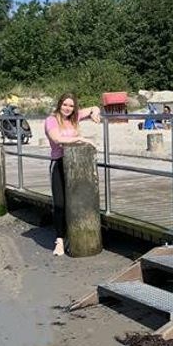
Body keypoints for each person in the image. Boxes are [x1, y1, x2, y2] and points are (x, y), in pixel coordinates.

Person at [45, 92, 100, 256]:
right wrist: (81, 139)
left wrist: (95, 112)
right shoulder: (51, 120)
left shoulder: (74, 117)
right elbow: (57, 139)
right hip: (59, 164)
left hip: (78, 165)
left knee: (78, 202)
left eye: (71, 105)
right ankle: (60, 240)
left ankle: (78, 234)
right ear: (59, 104)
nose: (67, 108)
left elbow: (93, 108)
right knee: (60, 204)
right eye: (65, 105)